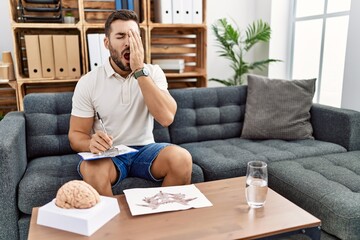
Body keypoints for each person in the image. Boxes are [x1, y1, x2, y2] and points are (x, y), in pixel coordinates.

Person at [68, 9, 192, 196]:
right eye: (121, 36)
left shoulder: (153, 72)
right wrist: (90, 143)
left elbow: (166, 118)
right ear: (107, 43)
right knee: (92, 169)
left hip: (147, 150)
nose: (128, 42)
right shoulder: (88, 82)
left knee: (181, 158)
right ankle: (112, 224)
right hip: (110, 154)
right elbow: (76, 135)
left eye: (134, 36)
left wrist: (139, 71)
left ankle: (164, 221)